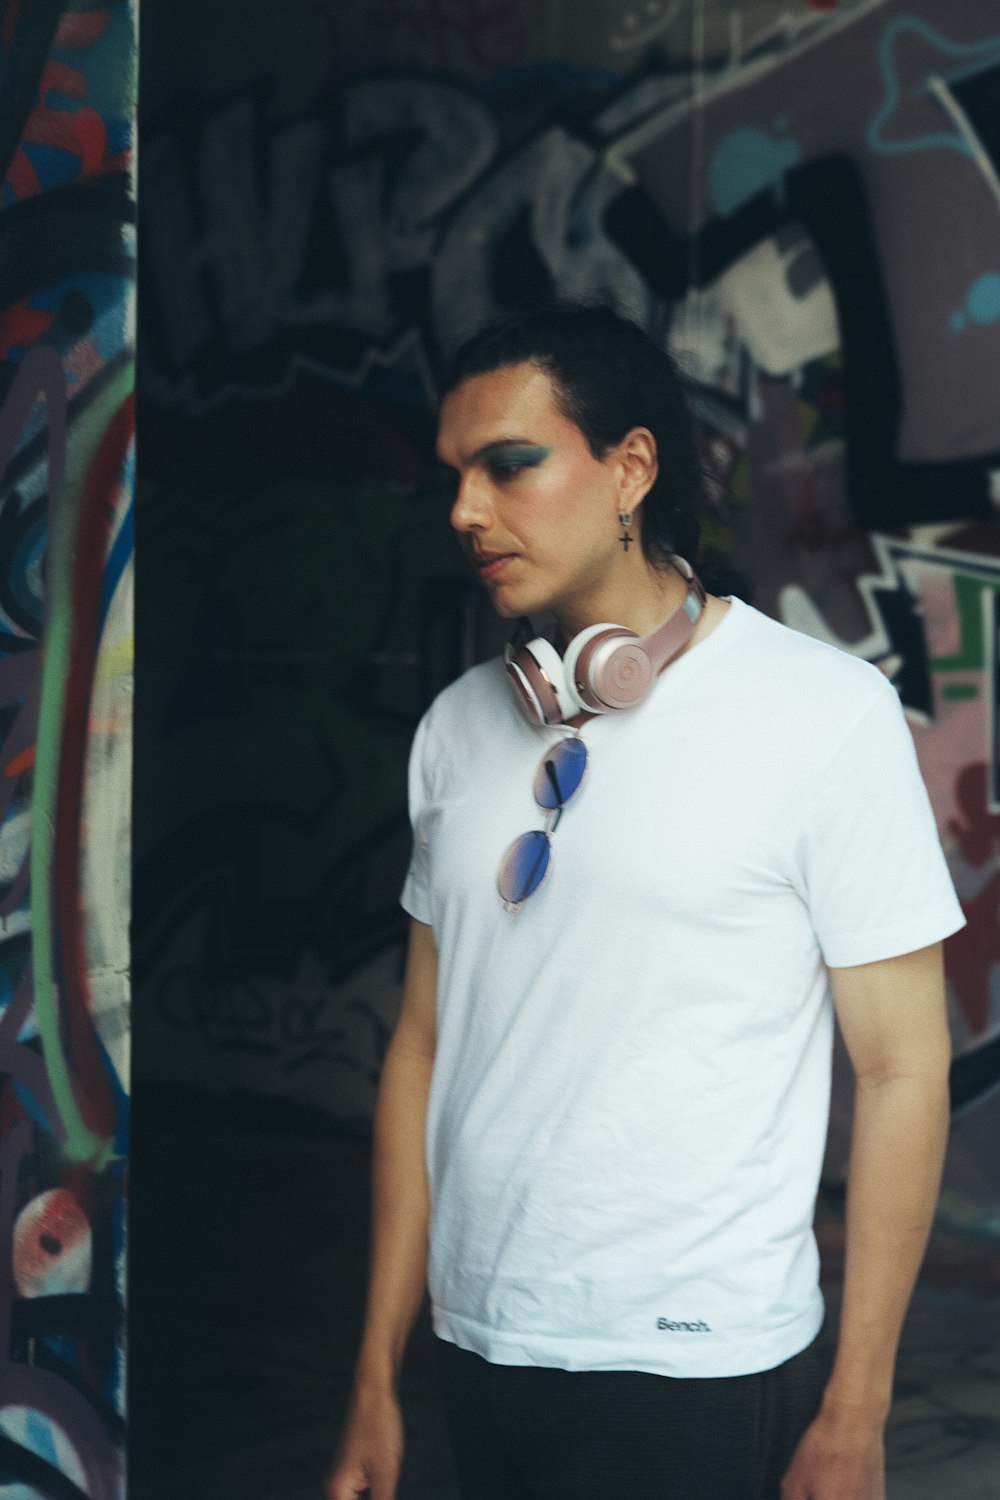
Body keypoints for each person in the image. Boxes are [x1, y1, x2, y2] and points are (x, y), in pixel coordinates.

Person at [327, 302, 964, 1500]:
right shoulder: (458, 728)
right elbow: (419, 1050)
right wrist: (375, 1372)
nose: (466, 511)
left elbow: (900, 1069)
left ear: (630, 468)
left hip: (695, 1366)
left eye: (509, 465)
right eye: (456, 475)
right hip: (480, 1343)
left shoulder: (820, 715)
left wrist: (857, 1407)